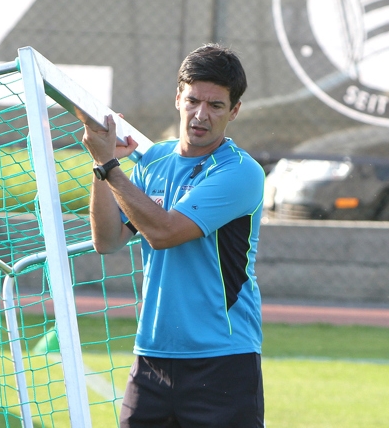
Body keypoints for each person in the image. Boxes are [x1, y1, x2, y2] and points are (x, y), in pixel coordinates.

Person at [82, 43, 265, 427]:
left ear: (234, 112)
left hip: (222, 361)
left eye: (216, 106)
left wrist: (112, 166)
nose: (201, 115)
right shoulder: (155, 160)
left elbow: (165, 232)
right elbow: (107, 240)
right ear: (178, 96)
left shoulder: (239, 172)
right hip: (151, 356)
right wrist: (101, 164)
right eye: (194, 100)